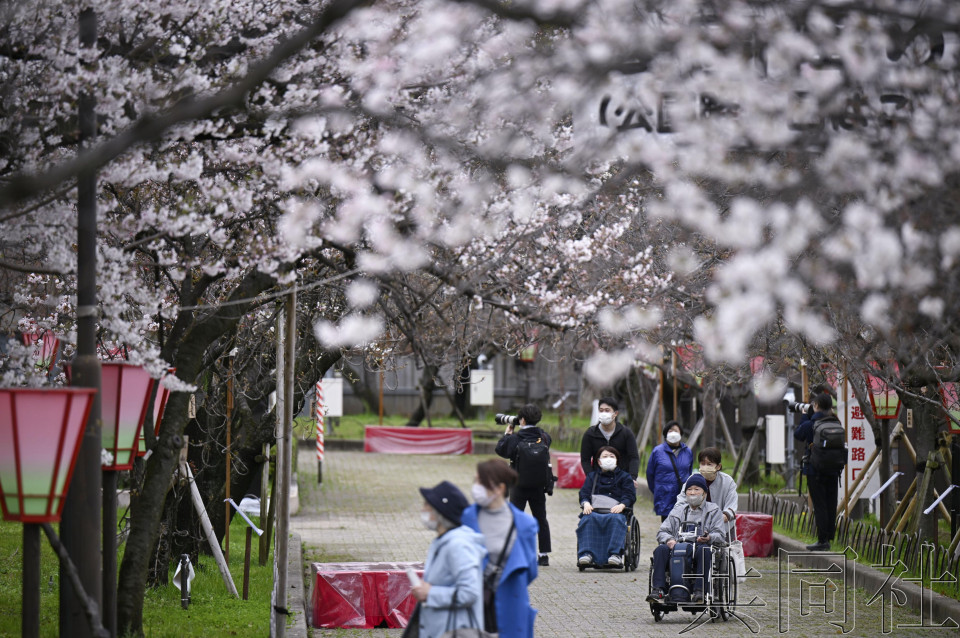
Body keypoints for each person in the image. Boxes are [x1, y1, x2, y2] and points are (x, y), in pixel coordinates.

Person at [461, 459, 539, 638]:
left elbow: (530, 570)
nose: (476, 487)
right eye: (475, 482)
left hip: (512, 602)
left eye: (481, 482)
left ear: (500, 488)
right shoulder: (468, 516)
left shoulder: (525, 524)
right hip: (472, 600)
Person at [412, 481, 486, 638]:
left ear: (439, 512)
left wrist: (431, 593)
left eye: (427, 505)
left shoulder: (458, 546)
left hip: (456, 630)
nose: (423, 509)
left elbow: (469, 593)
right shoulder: (442, 541)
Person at [647, 474, 725, 604]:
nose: (693, 493)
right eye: (689, 490)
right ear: (685, 493)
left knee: (705, 551)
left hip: (701, 546)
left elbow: (720, 535)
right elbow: (662, 531)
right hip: (679, 545)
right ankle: (658, 590)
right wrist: (670, 540)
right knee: (661, 549)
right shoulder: (678, 510)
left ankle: (700, 591)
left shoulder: (714, 510)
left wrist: (709, 537)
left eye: (696, 489)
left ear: (704, 493)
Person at [495, 403, 553, 566]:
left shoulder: (515, 438)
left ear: (522, 419)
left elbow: (501, 450)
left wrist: (507, 435)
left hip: (518, 485)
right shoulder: (544, 436)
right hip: (539, 485)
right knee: (541, 518)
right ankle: (543, 555)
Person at [794, 391, 843, 551]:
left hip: (815, 471)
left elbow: (798, 434)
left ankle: (822, 540)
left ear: (815, 406)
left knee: (820, 505)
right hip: (834, 470)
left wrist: (803, 416)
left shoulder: (811, 424)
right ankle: (829, 536)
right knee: (831, 503)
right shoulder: (836, 423)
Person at [576, 446, 637, 567]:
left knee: (617, 519)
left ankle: (615, 554)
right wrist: (586, 503)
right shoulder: (592, 477)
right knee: (587, 518)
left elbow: (630, 494)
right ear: (598, 461)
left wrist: (622, 505)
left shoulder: (625, 477)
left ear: (617, 460)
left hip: (615, 510)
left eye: (612, 456)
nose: (608, 459)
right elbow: (584, 493)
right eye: (605, 456)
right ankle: (586, 554)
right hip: (595, 509)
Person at [672, 446, 738, 536]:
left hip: (723, 528)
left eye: (709, 464)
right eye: (703, 464)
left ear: (718, 466)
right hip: (694, 527)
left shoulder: (727, 482)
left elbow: (731, 507)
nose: (705, 467)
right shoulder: (692, 479)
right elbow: (681, 501)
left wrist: (720, 518)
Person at [579, 396, 641, 483]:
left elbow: (634, 457)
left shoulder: (626, 433)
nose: (603, 413)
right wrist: (591, 477)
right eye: (601, 410)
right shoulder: (590, 434)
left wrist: (632, 477)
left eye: (607, 410)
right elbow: (585, 460)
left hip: (621, 480)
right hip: (599, 481)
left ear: (615, 413)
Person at [646, 419, 694, 521]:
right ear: (665, 434)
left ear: (680, 433)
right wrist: (658, 490)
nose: (673, 433)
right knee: (667, 526)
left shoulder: (687, 452)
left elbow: (689, 472)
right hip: (664, 495)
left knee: (683, 524)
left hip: (682, 495)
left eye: (676, 431)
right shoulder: (657, 451)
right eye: (670, 431)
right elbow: (650, 474)